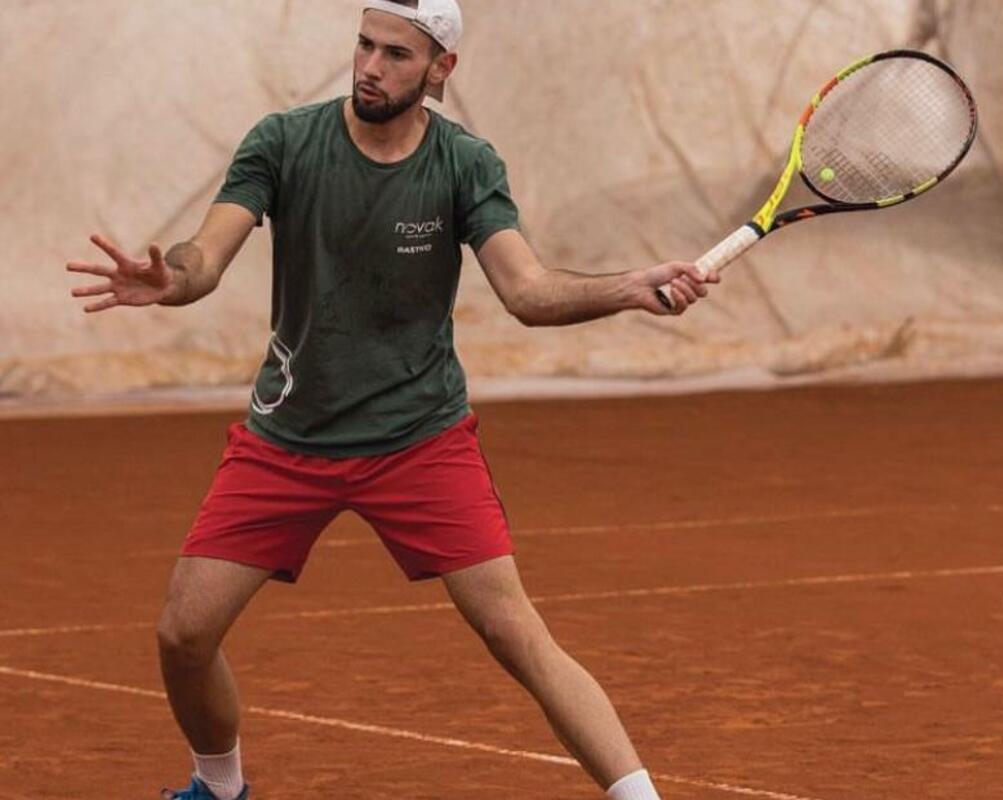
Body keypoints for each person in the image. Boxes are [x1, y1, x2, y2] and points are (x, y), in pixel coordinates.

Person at [67, 1, 717, 798]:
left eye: (396, 54)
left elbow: (526, 290)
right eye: (365, 45)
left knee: (516, 634)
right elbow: (205, 256)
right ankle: (220, 788)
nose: (370, 67)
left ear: (442, 68)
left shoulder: (465, 164)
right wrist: (171, 278)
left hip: (420, 440)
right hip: (287, 439)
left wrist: (628, 287)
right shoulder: (283, 142)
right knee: (183, 634)